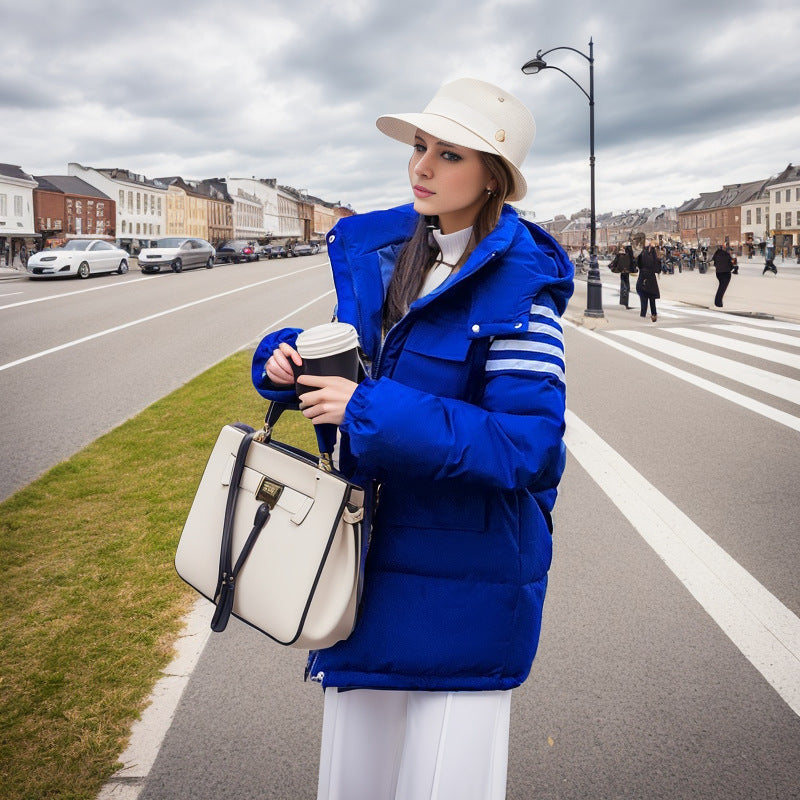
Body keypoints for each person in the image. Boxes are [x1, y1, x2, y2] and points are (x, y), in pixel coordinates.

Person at [251, 78, 574, 800]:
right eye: (420, 147)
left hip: (470, 582)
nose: (420, 166)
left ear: (493, 176)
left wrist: (366, 411)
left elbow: (529, 447)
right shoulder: (388, 256)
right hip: (364, 570)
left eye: (448, 154)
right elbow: (353, 351)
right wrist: (285, 360)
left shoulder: (523, 289)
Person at [636, 239, 661, 321]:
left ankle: (643, 314)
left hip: (643, 275)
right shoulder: (654, 253)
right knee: (651, 297)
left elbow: (638, 263)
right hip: (651, 277)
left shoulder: (641, 252)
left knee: (644, 296)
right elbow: (657, 267)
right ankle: (653, 314)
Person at [609, 243, 634, 308]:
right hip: (627, 272)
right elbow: (633, 263)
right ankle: (625, 303)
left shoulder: (620, 255)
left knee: (623, 287)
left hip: (622, 272)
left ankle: (623, 302)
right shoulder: (630, 255)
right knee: (626, 287)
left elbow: (615, 262)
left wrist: (611, 266)